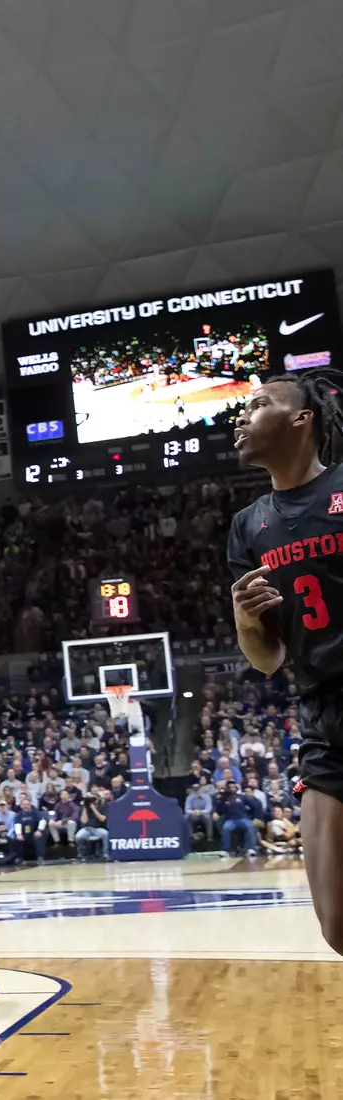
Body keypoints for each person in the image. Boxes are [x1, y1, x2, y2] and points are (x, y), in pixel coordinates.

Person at [228, 369, 343, 952]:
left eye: (258, 405)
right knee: (337, 926)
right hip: (323, 714)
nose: (241, 417)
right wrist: (247, 621)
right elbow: (266, 659)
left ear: (302, 420)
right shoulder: (250, 525)